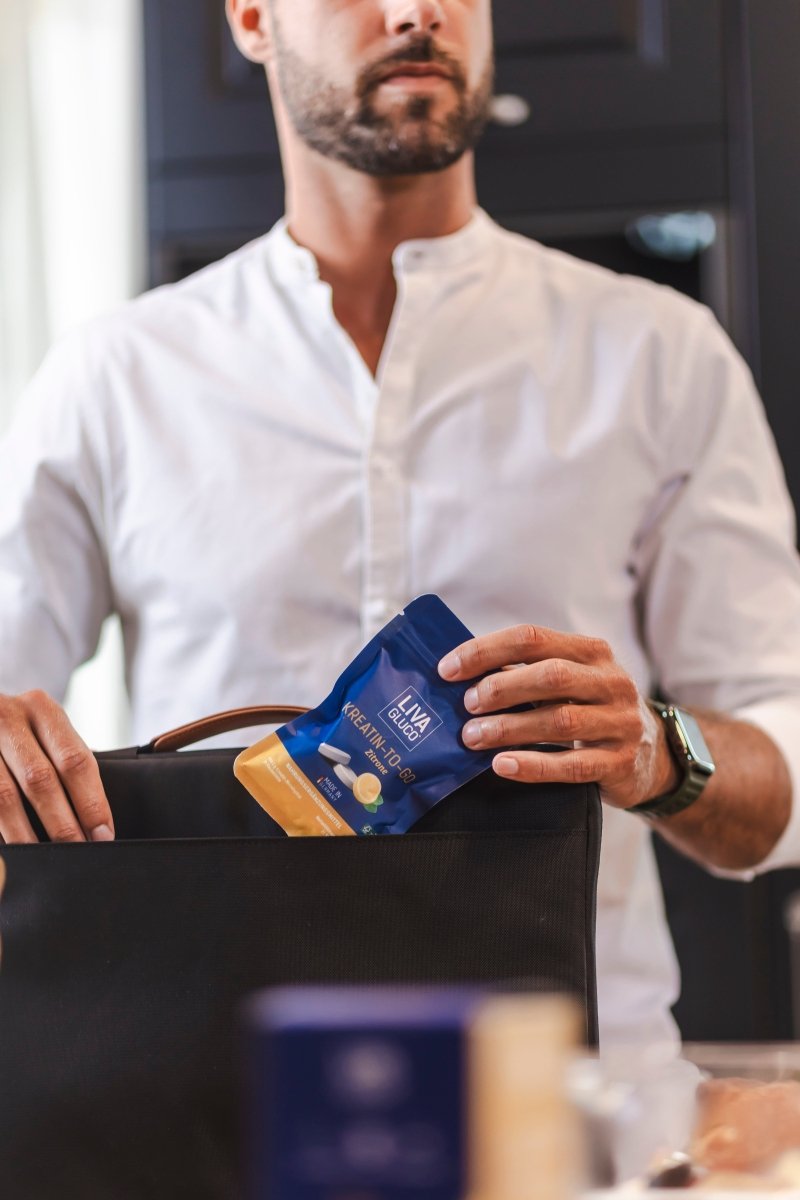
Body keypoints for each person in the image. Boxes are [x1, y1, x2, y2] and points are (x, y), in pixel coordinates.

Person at [1, 0, 800, 1044]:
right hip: (207, 1097)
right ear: (251, 17)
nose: (415, 12)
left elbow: (775, 770)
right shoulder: (111, 380)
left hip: (565, 1115)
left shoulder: (662, 357)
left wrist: (654, 751)